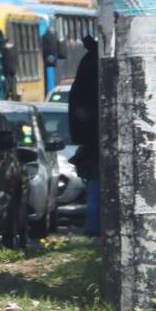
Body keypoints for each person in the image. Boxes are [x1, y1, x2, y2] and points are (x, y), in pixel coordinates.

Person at [67, 36, 99, 236]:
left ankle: (93, 226)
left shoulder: (89, 61)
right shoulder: (94, 62)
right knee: (97, 182)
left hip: (91, 135)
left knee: (96, 183)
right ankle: (93, 226)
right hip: (95, 135)